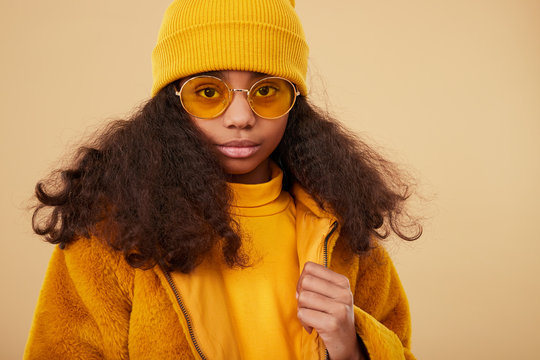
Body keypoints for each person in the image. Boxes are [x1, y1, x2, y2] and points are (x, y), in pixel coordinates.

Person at [24, 1, 421, 359]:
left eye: (266, 90)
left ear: (295, 102)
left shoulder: (342, 229)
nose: (240, 117)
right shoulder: (110, 234)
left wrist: (353, 347)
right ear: (171, 103)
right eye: (208, 92)